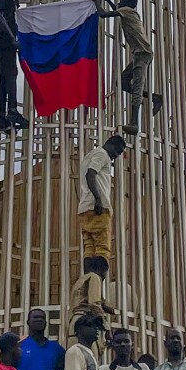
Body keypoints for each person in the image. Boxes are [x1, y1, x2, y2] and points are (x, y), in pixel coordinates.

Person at [92, 0, 163, 136]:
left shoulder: (126, 11)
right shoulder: (128, 12)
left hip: (142, 53)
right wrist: (108, 0)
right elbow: (116, 11)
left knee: (137, 87)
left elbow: (104, 15)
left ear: (125, 2)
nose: (119, 2)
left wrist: (97, 3)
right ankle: (155, 97)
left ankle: (134, 124)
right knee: (123, 83)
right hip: (141, 53)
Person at [74, 136, 127, 319]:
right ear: (111, 145)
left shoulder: (90, 155)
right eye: (117, 152)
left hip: (84, 209)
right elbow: (91, 174)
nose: (116, 157)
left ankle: (88, 295)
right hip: (99, 208)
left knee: (90, 252)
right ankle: (97, 299)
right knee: (103, 252)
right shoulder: (102, 154)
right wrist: (98, 199)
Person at [0, 0, 31, 132]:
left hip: (2, 40)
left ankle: (1, 116)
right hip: (3, 41)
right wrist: (12, 37)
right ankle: (12, 110)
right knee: (11, 74)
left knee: (4, 78)